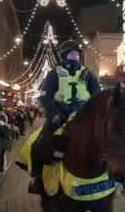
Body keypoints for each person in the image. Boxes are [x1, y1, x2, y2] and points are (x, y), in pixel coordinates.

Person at [28, 39, 101, 194]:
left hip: (83, 116)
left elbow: (97, 96)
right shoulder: (54, 73)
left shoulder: (88, 74)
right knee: (38, 144)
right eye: (72, 53)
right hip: (59, 114)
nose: (76, 56)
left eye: (77, 53)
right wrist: (53, 113)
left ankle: (113, 173)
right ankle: (37, 178)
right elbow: (45, 96)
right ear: (64, 54)